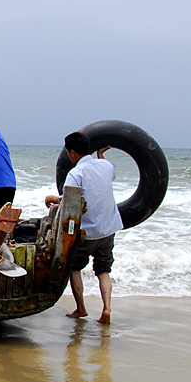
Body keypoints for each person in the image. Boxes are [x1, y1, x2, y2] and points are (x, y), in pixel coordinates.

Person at [45, 131, 123, 325]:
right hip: (108, 228)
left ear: (72, 153)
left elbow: (69, 201)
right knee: (103, 270)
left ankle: (81, 308)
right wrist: (101, 155)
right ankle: (107, 308)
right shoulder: (105, 166)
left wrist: (52, 199)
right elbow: (110, 175)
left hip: (86, 232)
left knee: (74, 268)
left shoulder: (76, 173)